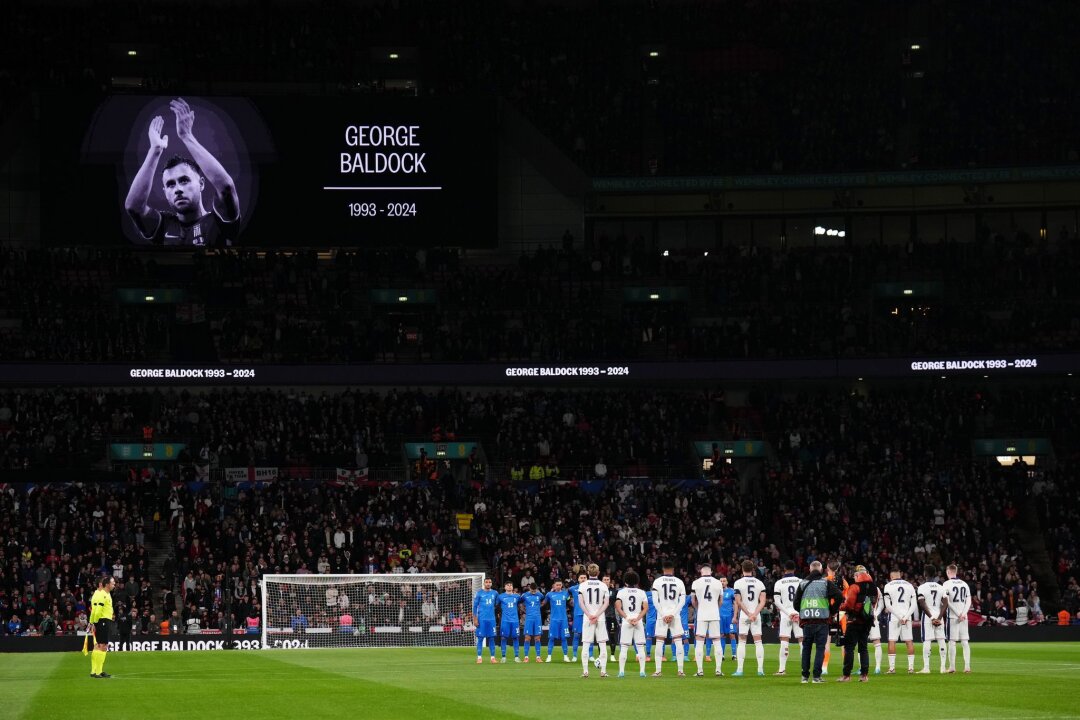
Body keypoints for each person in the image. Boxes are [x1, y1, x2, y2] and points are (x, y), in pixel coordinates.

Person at [124, 98, 240, 247]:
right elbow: (133, 207)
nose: (178, 189)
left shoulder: (218, 221)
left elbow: (226, 188)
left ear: (201, 183)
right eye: (171, 184)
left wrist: (187, 136)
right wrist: (155, 150)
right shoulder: (163, 224)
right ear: (165, 192)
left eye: (184, 180)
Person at [792, 560, 844, 683]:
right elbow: (839, 596)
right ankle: (816, 676)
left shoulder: (803, 583)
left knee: (806, 648)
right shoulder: (825, 583)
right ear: (821, 570)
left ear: (810, 570)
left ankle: (804, 676)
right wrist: (831, 610)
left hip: (807, 621)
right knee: (820, 648)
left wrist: (804, 610)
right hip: (822, 620)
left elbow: (795, 604)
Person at [838, 565, 876, 682]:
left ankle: (846, 675)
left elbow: (849, 605)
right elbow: (873, 605)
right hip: (867, 621)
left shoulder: (855, 587)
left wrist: (841, 607)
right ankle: (864, 675)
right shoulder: (874, 587)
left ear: (857, 575)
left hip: (854, 621)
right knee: (863, 648)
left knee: (849, 648)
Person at [651, 558, 687, 677]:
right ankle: (680, 670)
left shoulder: (657, 581)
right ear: (673, 570)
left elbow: (655, 601)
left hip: (662, 615)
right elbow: (682, 601)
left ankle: (658, 670)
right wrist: (673, 614)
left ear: (663, 569)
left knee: (660, 642)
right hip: (675, 615)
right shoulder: (679, 582)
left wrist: (663, 614)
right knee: (678, 642)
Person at [732, 559, 767, 677]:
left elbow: (738, 601)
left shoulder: (738, 583)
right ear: (753, 569)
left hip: (744, 616)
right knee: (758, 641)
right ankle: (760, 669)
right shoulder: (760, 583)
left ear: (742, 569)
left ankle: (740, 670)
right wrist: (754, 614)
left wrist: (748, 614)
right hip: (756, 616)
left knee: (741, 642)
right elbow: (762, 601)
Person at [691, 564, 725, 677]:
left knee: (700, 641)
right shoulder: (718, 582)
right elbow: (721, 601)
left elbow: (693, 601)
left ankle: (700, 670)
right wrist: (715, 608)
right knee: (717, 641)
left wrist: (699, 609)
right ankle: (718, 670)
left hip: (702, 614)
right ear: (711, 571)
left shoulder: (696, 583)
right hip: (714, 614)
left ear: (701, 572)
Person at [577, 563, 610, 678]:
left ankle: (585, 671)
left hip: (588, 618)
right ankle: (603, 671)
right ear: (598, 572)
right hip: (600, 617)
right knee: (602, 644)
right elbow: (606, 603)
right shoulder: (603, 585)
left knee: (586, 644)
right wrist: (597, 615)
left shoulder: (582, 585)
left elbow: (581, 603)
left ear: (587, 573)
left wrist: (590, 615)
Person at [615, 570, 649, 678]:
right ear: (636, 581)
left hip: (627, 620)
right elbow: (646, 608)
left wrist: (627, 618)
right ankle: (642, 671)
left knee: (624, 647)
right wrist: (638, 618)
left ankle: (621, 672)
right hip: (638, 620)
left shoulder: (621, 592)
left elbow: (618, 607)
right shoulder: (642, 592)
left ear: (625, 581)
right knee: (640, 647)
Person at [883, 568, 917, 673]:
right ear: (900, 575)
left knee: (892, 641)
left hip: (894, 617)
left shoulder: (888, 586)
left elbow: (888, 605)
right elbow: (914, 605)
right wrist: (905, 617)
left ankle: (892, 668)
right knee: (909, 641)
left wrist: (898, 616)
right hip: (907, 617)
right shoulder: (909, 585)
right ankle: (911, 668)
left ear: (891, 576)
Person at [941, 564, 973, 673]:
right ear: (956, 571)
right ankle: (967, 667)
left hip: (953, 617)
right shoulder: (964, 584)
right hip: (964, 617)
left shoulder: (946, 584)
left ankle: (952, 667)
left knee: (952, 642)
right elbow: (969, 601)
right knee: (965, 642)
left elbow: (947, 602)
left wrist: (958, 613)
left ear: (948, 572)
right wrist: (963, 614)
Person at [917, 565, 947, 674]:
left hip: (928, 616)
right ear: (935, 574)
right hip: (939, 615)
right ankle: (943, 667)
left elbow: (922, 603)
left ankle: (926, 668)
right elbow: (945, 603)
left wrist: (931, 618)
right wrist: (939, 618)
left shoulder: (922, 587)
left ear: (925, 574)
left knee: (927, 640)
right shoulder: (941, 587)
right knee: (941, 639)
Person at [89, 575, 116, 678]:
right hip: (102, 621)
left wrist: (92, 622)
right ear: (105, 584)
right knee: (102, 646)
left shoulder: (104, 594)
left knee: (99, 646)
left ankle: (95, 671)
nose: (114, 585)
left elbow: (95, 611)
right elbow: (97, 610)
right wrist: (94, 623)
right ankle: (98, 671)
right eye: (112, 583)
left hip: (103, 621)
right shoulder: (102, 595)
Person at [472, 577, 499, 664]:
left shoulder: (495, 593)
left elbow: (497, 604)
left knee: (491, 638)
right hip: (482, 619)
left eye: (489, 582)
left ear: (491, 583)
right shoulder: (479, 593)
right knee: (480, 638)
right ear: (484, 583)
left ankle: (492, 658)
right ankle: (479, 657)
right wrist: (475, 619)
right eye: (486, 582)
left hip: (491, 619)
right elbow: (475, 606)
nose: (488, 583)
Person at [544, 579, 571, 662]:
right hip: (554, 620)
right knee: (551, 638)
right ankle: (549, 656)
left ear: (561, 585)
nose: (559, 586)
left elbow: (570, 602)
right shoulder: (549, 594)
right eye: (557, 585)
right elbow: (543, 603)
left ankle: (565, 656)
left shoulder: (566, 593)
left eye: (560, 585)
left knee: (564, 638)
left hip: (563, 619)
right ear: (554, 585)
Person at [496, 582, 521, 663]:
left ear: (512, 587)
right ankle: (503, 657)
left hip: (515, 620)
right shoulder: (500, 596)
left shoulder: (517, 596)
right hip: (505, 620)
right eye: (508, 585)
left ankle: (516, 657)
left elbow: (522, 604)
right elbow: (496, 606)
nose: (509, 586)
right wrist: (499, 614)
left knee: (516, 637)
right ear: (505, 587)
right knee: (503, 637)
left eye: (511, 585)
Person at [568, 570, 590, 662]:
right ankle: (574, 655)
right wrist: (570, 601)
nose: (583, 579)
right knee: (576, 635)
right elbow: (565, 596)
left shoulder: (591, 588)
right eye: (581, 578)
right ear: (578, 579)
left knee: (589, 635)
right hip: (578, 614)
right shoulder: (573, 589)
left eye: (585, 577)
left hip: (588, 614)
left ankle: (590, 655)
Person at [520, 584, 544, 662]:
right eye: (532, 590)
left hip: (537, 618)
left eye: (534, 591)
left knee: (537, 638)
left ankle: (538, 657)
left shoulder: (540, 595)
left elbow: (544, 602)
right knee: (527, 638)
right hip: (529, 618)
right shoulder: (524, 595)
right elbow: (520, 603)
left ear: (536, 589)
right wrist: (524, 610)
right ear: (529, 588)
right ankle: (526, 657)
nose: (533, 592)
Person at [718, 575, 737, 663]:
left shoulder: (731, 591)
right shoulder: (716, 592)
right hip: (720, 617)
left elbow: (736, 604)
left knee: (732, 635)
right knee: (722, 635)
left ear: (727, 582)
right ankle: (722, 655)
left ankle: (734, 655)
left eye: (724, 581)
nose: (722, 582)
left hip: (730, 616)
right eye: (721, 581)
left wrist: (735, 616)